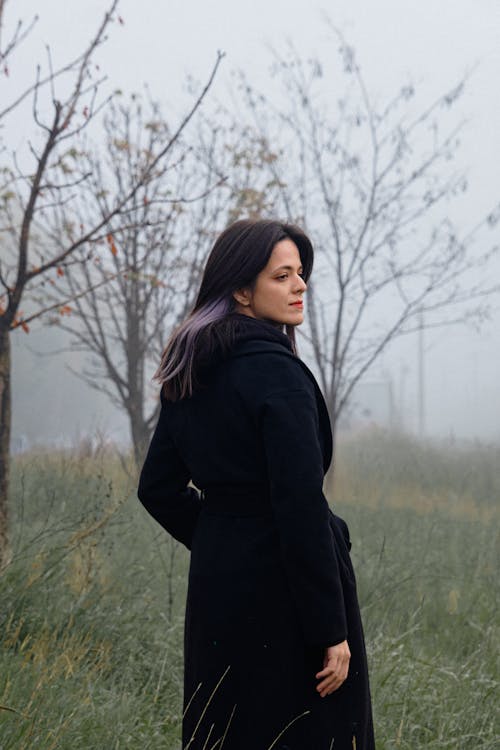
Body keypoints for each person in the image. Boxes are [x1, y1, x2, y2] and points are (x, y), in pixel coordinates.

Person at [137, 219, 375, 750]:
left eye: (301, 274)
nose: (300, 286)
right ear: (242, 290)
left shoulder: (189, 369)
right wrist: (329, 631)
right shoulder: (279, 375)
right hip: (288, 601)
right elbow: (299, 508)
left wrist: (225, 536)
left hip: (220, 589)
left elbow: (157, 488)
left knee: (225, 731)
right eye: (282, 275)